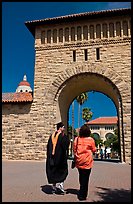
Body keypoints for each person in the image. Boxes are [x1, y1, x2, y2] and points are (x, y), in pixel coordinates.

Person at [73, 124, 96, 201]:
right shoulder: (91, 140)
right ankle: (83, 195)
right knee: (86, 178)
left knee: (81, 176)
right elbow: (94, 150)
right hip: (87, 161)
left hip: (79, 160)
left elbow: (74, 149)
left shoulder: (77, 139)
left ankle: (81, 189)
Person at [46, 122, 70, 194]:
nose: (64, 129)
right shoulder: (62, 136)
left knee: (53, 171)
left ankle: (54, 186)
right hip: (60, 158)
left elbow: (48, 147)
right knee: (62, 171)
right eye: (63, 127)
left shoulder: (51, 136)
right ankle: (60, 184)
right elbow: (65, 145)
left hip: (52, 158)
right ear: (60, 128)